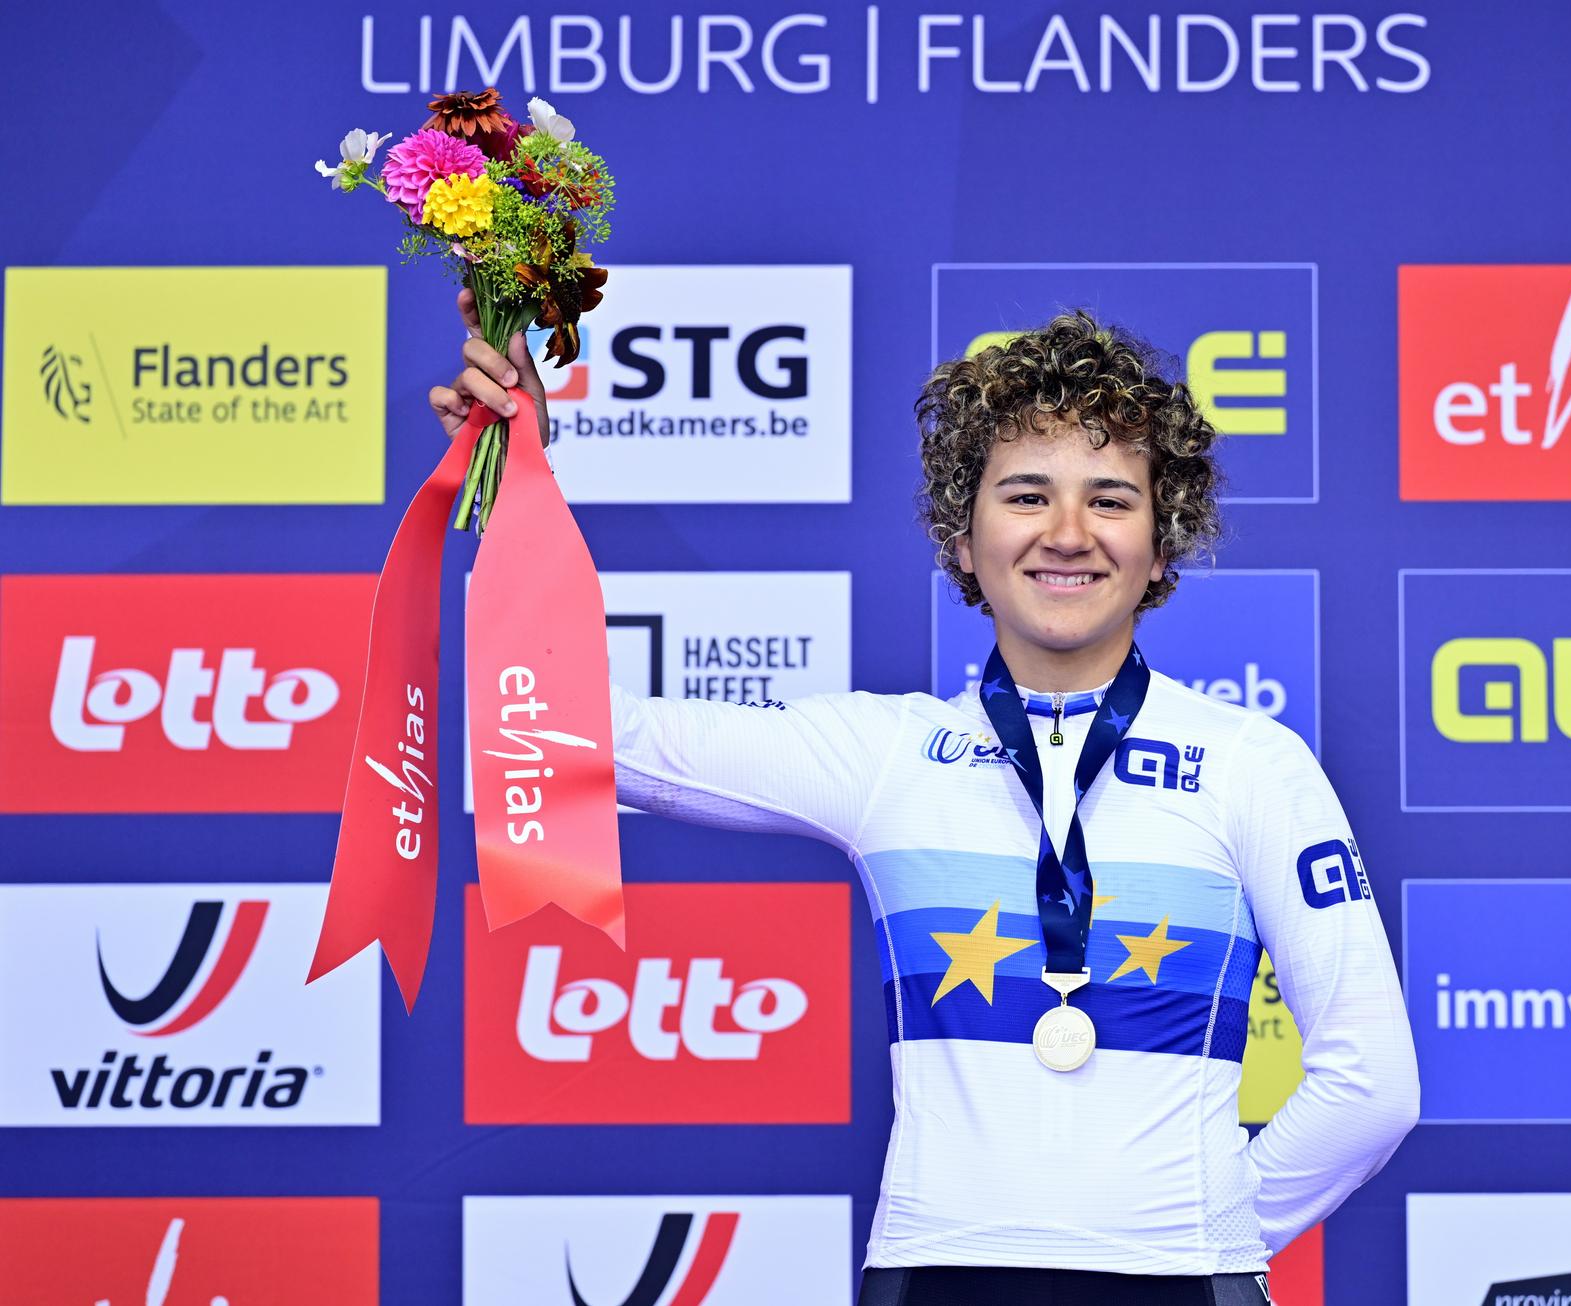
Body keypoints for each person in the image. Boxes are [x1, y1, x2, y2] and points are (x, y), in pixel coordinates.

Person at [432, 292, 1419, 1305]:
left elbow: (1372, 1080)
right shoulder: (890, 755)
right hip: (937, 1274)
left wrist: (1199, 1230)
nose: (1069, 533)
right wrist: (520, 494)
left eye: (1112, 500)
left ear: (1161, 548)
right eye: (1027, 495)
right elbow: (580, 728)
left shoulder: (1252, 763)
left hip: (1183, 1280)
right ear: (962, 538)